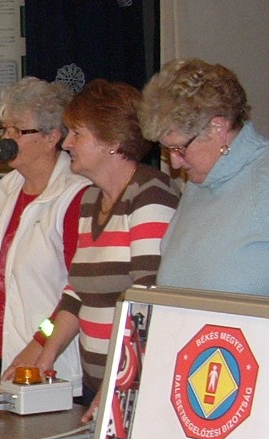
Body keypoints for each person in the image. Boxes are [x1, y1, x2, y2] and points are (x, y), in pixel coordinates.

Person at [20, 79, 179, 399]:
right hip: (101, 386)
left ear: (113, 141)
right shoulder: (91, 198)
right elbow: (75, 294)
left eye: (77, 134)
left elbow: (148, 304)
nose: (67, 143)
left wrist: (121, 383)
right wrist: (46, 355)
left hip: (137, 387)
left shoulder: (150, 194)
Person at [0, 77, 90, 386]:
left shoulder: (75, 195)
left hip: (50, 363)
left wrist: (40, 343)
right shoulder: (7, 188)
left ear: (52, 136)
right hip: (1, 356)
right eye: (4, 129)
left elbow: (79, 290)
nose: (6, 140)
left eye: (18, 131)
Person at [139, 59, 269, 296]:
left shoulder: (263, 180)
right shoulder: (199, 184)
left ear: (217, 128)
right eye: (167, 150)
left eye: (179, 149)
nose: (175, 163)